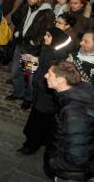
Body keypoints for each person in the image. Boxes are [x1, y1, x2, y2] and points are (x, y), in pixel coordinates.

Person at [19, 27, 74, 156]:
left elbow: (52, 76)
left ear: (56, 39)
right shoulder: (47, 49)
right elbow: (40, 68)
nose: (45, 37)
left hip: (48, 95)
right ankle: (34, 140)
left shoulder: (59, 57)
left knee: (40, 122)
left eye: (48, 36)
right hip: (40, 90)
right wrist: (28, 62)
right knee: (36, 118)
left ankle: (32, 145)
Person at [45, 61, 94, 181]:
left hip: (69, 175)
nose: (45, 76)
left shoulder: (73, 112)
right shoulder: (73, 96)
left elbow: (77, 157)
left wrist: (53, 163)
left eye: (49, 74)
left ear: (61, 80)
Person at [8, 0, 55, 108]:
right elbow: (20, 21)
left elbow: (47, 32)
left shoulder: (47, 13)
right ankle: (18, 93)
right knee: (15, 72)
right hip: (20, 45)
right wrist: (18, 33)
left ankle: (28, 98)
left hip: (32, 50)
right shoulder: (27, 7)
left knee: (29, 76)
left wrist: (35, 43)